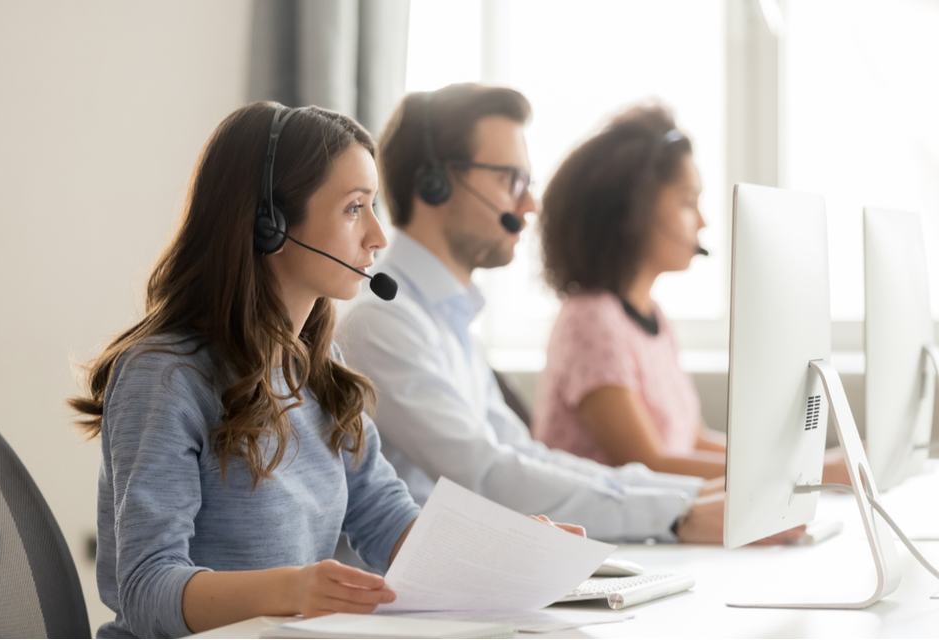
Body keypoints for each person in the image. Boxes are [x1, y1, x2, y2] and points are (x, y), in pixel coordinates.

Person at [336, 84, 803, 545]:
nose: (530, 204)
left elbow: (522, 455)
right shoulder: (382, 323)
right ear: (433, 183)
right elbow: (486, 475)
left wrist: (691, 495)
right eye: (509, 180)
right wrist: (679, 513)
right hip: (423, 588)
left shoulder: (444, 320)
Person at [69, 103, 422, 638]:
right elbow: (146, 588)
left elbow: (386, 518)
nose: (377, 235)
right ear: (269, 224)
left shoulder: (318, 372)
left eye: (373, 206)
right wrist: (293, 591)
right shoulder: (165, 377)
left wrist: (505, 554)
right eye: (354, 208)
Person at [532, 104, 850, 484]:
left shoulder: (652, 317)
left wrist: (810, 462)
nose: (702, 222)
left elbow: (691, 441)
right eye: (687, 202)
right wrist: (805, 472)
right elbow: (648, 464)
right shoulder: (590, 320)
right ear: (633, 211)